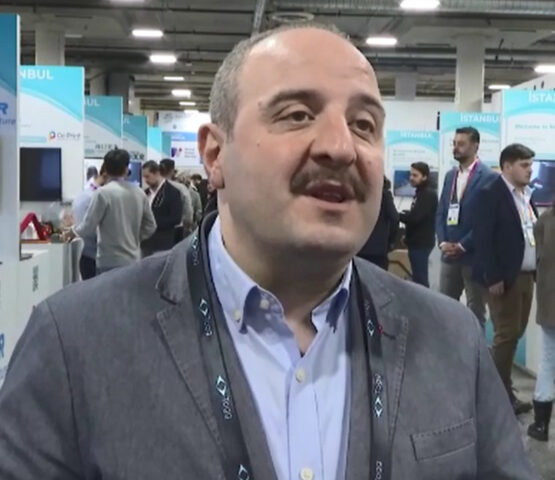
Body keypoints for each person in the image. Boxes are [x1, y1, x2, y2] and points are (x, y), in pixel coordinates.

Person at [0, 23, 537, 480]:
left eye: (363, 125)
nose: (340, 147)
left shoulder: (451, 339)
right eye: (298, 114)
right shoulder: (74, 344)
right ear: (215, 154)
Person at [474, 143, 538, 414]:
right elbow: (483, 238)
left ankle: (502, 389)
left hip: (526, 276)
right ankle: (498, 397)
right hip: (504, 278)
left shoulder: (526, 195)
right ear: (507, 166)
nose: (529, 170)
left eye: (530, 165)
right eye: (524, 165)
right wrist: (493, 276)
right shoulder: (491, 193)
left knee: (515, 334)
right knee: (507, 334)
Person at [436, 127, 497, 326]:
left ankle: (475, 346)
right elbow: (441, 212)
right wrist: (443, 242)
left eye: (461, 144)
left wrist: (463, 245)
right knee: (444, 308)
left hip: (474, 256)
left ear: (475, 146)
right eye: (454, 143)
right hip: (448, 254)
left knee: (475, 311)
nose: (455, 148)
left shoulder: (489, 177)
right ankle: (447, 344)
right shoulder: (450, 176)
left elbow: (488, 220)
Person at [64, 149, 157, 274]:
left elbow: (88, 226)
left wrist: (71, 233)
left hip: (108, 260)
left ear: (106, 169)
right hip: (132, 259)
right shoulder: (139, 193)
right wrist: (134, 238)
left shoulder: (102, 193)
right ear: (126, 169)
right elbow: (151, 226)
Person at [528, 200, 555, 441]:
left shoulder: (544, 220)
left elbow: (535, 261)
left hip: (550, 303)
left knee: (548, 361)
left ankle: (541, 425)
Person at [399, 162, 438, 287]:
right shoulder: (420, 193)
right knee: (417, 278)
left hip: (421, 244)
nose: (411, 178)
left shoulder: (427, 194)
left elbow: (416, 218)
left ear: (425, 177)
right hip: (416, 242)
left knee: (420, 280)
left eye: (415, 175)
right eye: (410, 175)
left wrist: (397, 216)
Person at [71, 163, 108, 279]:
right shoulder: (94, 197)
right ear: (106, 175)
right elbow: (90, 228)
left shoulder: (84, 194)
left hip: (87, 255)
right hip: (95, 257)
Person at [141, 160, 183, 256]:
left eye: (147, 176)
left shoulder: (172, 192)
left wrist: (152, 223)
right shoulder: (145, 193)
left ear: (157, 173)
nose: (145, 180)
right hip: (145, 243)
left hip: (163, 243)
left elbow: (176, 218)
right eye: (144, 177)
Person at [357, 176, 398, 270]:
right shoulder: (384, 195)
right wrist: (391, 241)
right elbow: (394, 218)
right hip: (378, 247)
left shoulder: (359, 194)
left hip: (359, 246)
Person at [159, 158, 194, 239]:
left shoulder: (152, 187)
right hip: (175, 228)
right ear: (172, 171)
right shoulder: (180, 188)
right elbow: (188, 209)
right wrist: (188, 223)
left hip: (156, 228)